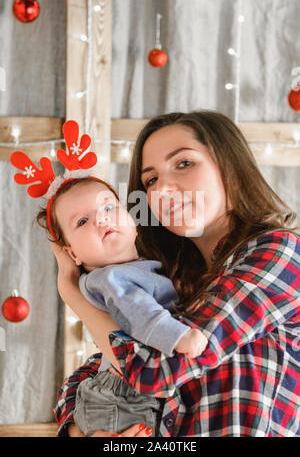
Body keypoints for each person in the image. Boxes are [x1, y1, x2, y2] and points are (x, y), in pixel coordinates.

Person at [53, 110, 300, 437]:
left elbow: (155, 368)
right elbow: (91, 372)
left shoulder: (279, 253)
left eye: (184, 163)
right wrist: (77, 428)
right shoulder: (174, 282)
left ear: (232, 172)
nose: (164, 188)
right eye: (151, 179)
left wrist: (74, 294)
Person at [36, 177, 207, 436]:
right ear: (73, 255)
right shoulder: (111, 278)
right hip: (122, 400)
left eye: (108, 207)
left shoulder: (142, 267)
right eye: (82, 222)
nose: (101, 219)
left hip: (122, 391)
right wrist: (180, 337)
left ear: (132, 220)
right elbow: (142, 315)